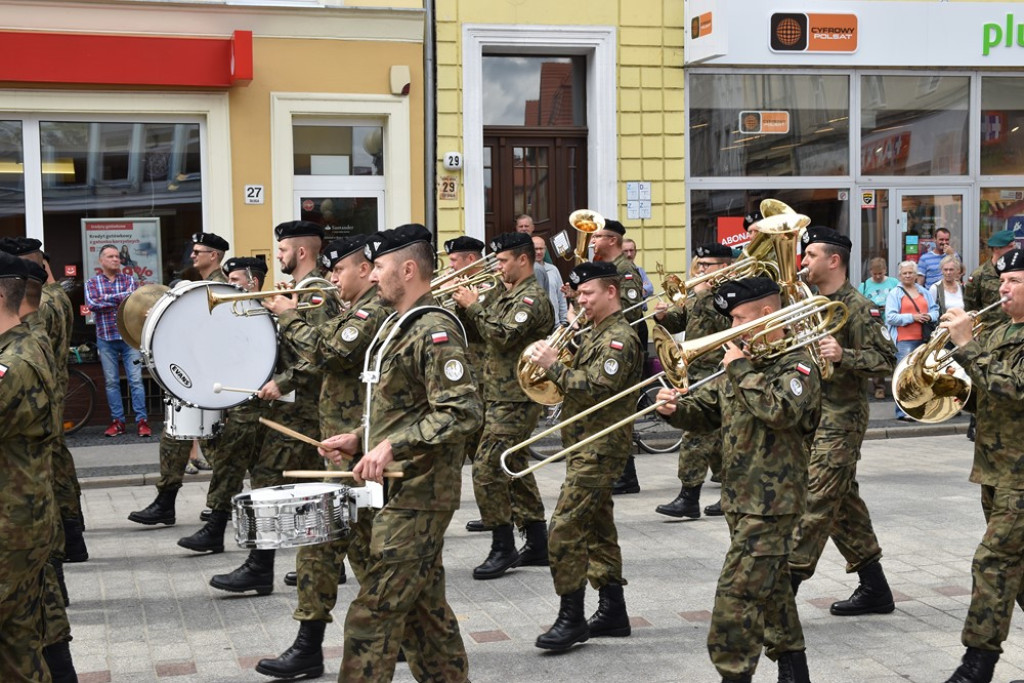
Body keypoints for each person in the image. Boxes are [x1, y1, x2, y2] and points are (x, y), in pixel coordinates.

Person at [318, 223, 483, 682]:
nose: (372, 276)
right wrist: (360, 438)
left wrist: (392, 445)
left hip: (420, 493)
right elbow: (404, 408)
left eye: (380, 267)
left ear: (408, 270)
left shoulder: (434, 330)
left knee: (372, 615)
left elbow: (462, 411)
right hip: (399, 489)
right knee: (424, 615)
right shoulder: (399, 325)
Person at [655, 276, 821, 683]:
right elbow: (709, 411)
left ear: (766, 314)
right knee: (773, 591)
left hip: (773, 504)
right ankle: (795, 672)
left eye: (739, 319)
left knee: (736, 596)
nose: (732, 329)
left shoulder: (797, 364)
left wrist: (740, 369)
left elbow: (780, 410)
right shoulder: (745, 362)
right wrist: (674, 410)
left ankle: (733, 674)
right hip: (740, 499)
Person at [255, 236, 392, 680]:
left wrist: (288, 315)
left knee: (330, 543)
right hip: (346, 445)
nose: (332, 279)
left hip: (365, 448)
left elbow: (331, 351)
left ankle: (314, 645)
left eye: (339, 271)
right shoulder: (351, 309)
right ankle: (374, 637)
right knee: (353, 547)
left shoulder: (372, 311)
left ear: (364, 270)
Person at [209, 220, 339, 596]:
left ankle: (260, 567)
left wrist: (283, 382)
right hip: (295, 408)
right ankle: (321, 563)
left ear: (301, 251)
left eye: (282, 250)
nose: (278, 255)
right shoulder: (300, 290)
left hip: (305, 408)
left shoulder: (316, 292)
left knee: (268, 482)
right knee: (305, 486)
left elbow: (321, 353)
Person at [527, 261, 643, 652]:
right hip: (584, 445)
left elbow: (597, 386)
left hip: (601, 447)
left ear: (611, 292)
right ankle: (613, 611)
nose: (582, 301)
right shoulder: (596, 332)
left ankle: (571, 617)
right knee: (597, 528)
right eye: (579, 295)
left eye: (588, 293)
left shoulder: (619, 338)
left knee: (564, 528)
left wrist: (553, 365)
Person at [788, 227, 898, 618]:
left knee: (815, 499)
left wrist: (843, 355)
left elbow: (887, 360)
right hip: (811, 416)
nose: (803, 262)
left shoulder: (858, 306)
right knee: (842, 503)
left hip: (842, 418)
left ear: (834, 261)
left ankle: (781, 594)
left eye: (810, 255)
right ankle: (875, 588)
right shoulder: (806, 302)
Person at [939, 247, 1024, 683]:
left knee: (992, 562)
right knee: (1018, 573)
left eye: (1015, 281)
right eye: (1002, 280)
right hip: (995, 467)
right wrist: (948, 387)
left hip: (1021, 476)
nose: (1003, 288)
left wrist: (967, 345)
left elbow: (1016, 389)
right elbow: (987, 393)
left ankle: (977, 666)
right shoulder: (999, 330)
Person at [450, 232, 554, 580]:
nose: (498, 267)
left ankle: (502, 544)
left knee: (486, 467)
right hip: (498, 394)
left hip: (517, 397)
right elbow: (478, 333)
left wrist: (474, 305)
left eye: (503, 260)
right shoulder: (507, 294)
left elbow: (502, 335)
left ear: (523, 260)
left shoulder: (531, 299)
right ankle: (537, 542)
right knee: (514, 466)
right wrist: (463, 304)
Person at [0, 252, 77, 682]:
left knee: (17, 645)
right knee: (19, 645)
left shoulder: (13, 364)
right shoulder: (19, 348)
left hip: (11, 526)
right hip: (19, 518)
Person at [127, 232, 231, 528]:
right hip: (191, 377)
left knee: (216, 447)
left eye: (199, 251)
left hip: (209, 380)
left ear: (214, 255)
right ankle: (167, 502)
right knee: (175, 437)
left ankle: (221, 505)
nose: (193, 255)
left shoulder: (220, 288)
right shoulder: (199, 286)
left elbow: (210, 333)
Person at [0, 237, 88, 563]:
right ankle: (72, 532)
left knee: (50, 466)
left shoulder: (39, 308)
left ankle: (68, 536)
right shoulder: (57, 295)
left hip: (39, 394)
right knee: (58, 462)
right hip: (52, 389)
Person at [176, 257, 269, 555]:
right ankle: (220, 530)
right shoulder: (232, 314)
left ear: (253, 282)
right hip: (240, 405)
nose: (229, 285)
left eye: (235, 280)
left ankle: (257, 541)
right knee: (233, 465)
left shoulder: (269, 313)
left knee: (260, 472)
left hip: (264, 408)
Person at [652, 243, 732, 519]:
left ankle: (689, 497)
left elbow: (730, 328)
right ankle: (731, 493)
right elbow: (682, 321)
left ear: (724, 267)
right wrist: (664, 317)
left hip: (717, 372)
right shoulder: (699, 293)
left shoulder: (731, 294)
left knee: (695, 434)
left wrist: (706, 296)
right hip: (694, 370)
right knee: (717, 437)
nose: (699, 269)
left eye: (706, 265)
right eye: (699, 264)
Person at [583, 219, 646, 495]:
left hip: (621, 345)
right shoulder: (609, 268)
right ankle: (621, 473)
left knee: (618, 410)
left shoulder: (625, 270)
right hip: (607, 341)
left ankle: (626, 476)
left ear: (611, 240)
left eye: (596, 237)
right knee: (610, 412)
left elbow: (633, 310)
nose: (592, 241)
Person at [84, 243, 150, 437]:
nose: (115, 259)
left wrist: (107, 298)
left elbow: (132, 299)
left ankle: (142, 421)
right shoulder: (92, 283)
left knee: (135, 380)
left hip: (129, 337)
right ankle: (118, 422)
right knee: (112, 382)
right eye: (110, 256)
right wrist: (119, 299)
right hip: (106, 338)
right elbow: (92, 304)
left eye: (117, 256)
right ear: (101, 260)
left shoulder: (129, 280)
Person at [962, 229, 1016, 442]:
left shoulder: (1015, 273)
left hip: (1012, 334)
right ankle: (976, 422)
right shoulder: (979, 275)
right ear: (997, 249)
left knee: (1006, 378)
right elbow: (971, 307)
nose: (1014, 248)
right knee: (982, 380)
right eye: (1009, 246)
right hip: (988, 337)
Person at [885, 261, 939, 420]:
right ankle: (902, 412)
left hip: (924, 340)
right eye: (905, 273)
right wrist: (912, 317)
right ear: (899, 276)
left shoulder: (924, 292)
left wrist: (929, 316)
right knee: (904, 377)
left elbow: (935, 310)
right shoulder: (895, 293)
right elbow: (890, 317)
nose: (908, 275)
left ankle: (919, 410)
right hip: (904, 341)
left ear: (916, 275)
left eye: (910, 273)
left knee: (922, 377)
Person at [859, 257, 900, 400]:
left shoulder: (894, 283)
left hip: (892, 324)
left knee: (895, 354)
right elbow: (860, 305)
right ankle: (879, 387)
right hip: (874, 325)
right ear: (870, 271)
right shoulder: (865, 285)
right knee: (878, 355)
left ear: (885, 271)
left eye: (880, 274)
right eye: (874, 274)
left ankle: (898, 385)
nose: (877, 276)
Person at [532, 235, 568, 327]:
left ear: (545, 249)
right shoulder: (524, 271)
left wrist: (564, 321)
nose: (539, 252)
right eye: (536, 249)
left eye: (541, 249)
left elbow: (561, 296)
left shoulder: (553, 269)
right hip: (534, 326)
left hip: (555, 325)